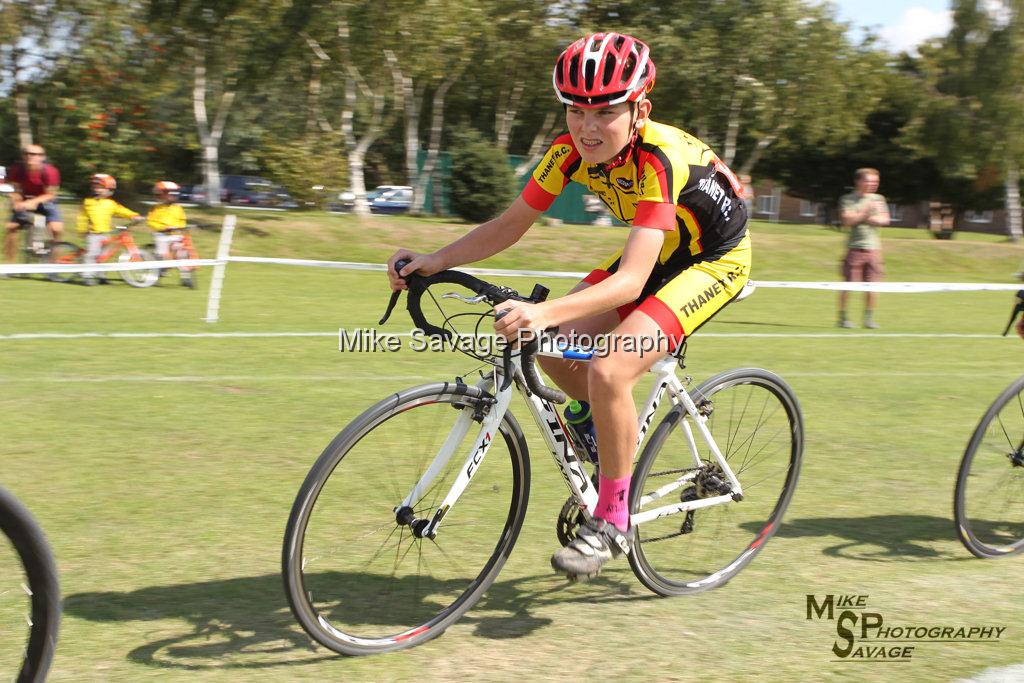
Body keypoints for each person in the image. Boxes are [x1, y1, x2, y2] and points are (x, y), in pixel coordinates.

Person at [387, 33, 751, 580]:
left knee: (608, 367)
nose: (587, 126)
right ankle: (594, 423)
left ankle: (612, 521)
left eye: (604, 112)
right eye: (575, 110)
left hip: (712, 260)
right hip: (660, 251)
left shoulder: (657, 160)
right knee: (546, 344)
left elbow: (630, 282)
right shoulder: (566, 153)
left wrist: (545, 310)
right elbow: (510, 225)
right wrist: (434, 261)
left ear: (640, 110)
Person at [838, 168, 889, 329]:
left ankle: (868, 318)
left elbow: (885, 220)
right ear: (858, 181)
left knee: (873, 285)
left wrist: (860, 216)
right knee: (848, 285)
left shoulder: (879, 199)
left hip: (874, 249)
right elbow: (847, 220)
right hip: (854, 248)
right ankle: (843, 318)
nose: (873, 184)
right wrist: (867, 212)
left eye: (875, 182)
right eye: (869, 181)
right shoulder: (848, 199)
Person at [76, 173, 141, 285]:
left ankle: (101, 276)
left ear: (109, 190)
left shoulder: (110, 203)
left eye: (102, 188)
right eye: (96, 187)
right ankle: (87, 276)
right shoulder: (88, 202)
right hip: (93, 234)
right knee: (92, 254)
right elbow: (82, 217)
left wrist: (134, 216)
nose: (98, 190)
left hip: (106, 233)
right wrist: (82, 230)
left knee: (104, 255)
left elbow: (122, 210)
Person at [4, 144, 64, 263]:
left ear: (43, 157)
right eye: (27, 154)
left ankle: (53, 263)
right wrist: (17, 201)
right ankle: (9, 265)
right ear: (23, 156)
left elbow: (51, 194)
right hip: (25, 199)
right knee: (11, 227)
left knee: (56, 229)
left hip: (45, 201)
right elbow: (16, 190)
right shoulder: (17, 170)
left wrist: (32, 202)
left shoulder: (50, 171)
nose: (30, 156)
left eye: (35, 154)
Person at [147, 180, 193, 287]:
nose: (173, 196)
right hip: (161, 235)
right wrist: (162, 228)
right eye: (169, 194)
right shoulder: (155, 209)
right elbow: (151, 222)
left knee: (182, 253)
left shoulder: (178, 208)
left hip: (175, 235)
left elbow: (182, 220)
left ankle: (185, 276)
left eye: (174, 194)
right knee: (162, 255)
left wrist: (180, 227)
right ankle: (158, 274)